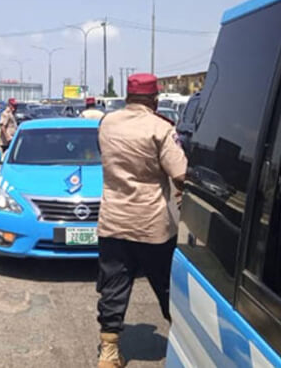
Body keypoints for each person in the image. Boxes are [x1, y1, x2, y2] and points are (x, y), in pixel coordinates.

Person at [94, 73, 187, 368]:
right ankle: (184, 342)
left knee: (113, 284)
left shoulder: (107, 123)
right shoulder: (161, 128)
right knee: (166, 286)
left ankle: (108, 354)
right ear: (154, 99)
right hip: (152, 224)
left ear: (127, 96)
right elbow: (180, 173)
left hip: (113, 220)